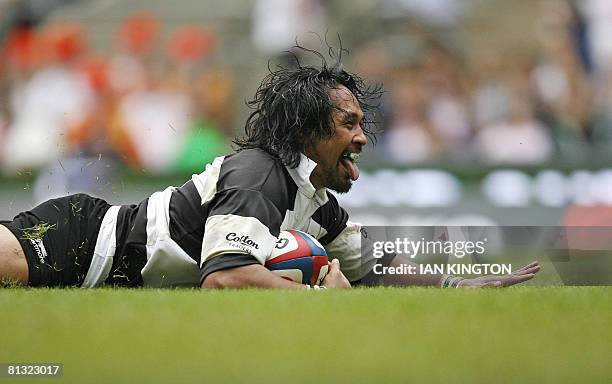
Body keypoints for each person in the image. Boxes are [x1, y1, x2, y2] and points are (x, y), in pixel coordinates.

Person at [0, 47, 540, 289]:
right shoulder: (260, 174)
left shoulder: (320, 205)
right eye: (349, 123)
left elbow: (374, 271)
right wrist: (319, 300)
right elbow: (226, 277)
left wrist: (455, 285)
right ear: (309, 133)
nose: (362, 136)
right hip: (83, 238)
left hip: (111, 272)